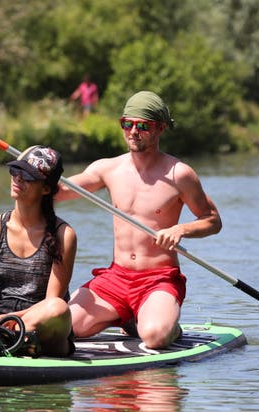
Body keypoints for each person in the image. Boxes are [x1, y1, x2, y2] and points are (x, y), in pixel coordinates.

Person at [55, 91, 222, 349]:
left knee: (155, 337)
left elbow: (212, 220)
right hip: (116, 278)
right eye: (127, 123)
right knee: (63, 328)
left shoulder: (180, 174)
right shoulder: (108, 169)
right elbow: (59, 192)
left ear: (161, 129)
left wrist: (181, 229)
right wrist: (34, 173)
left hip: (159, 279)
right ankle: (127, 315)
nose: (133, 131)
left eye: (143, 126)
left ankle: (166, 325)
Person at [0, 145, 78, 356]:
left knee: (59, 308)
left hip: (45, 328)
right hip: (0, 319)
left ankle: (1, 336)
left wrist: (12, 321)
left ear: (46, 189)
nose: (17, 179)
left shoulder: (64, 235)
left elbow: (51, 301)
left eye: (27, 176)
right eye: (15, 171)